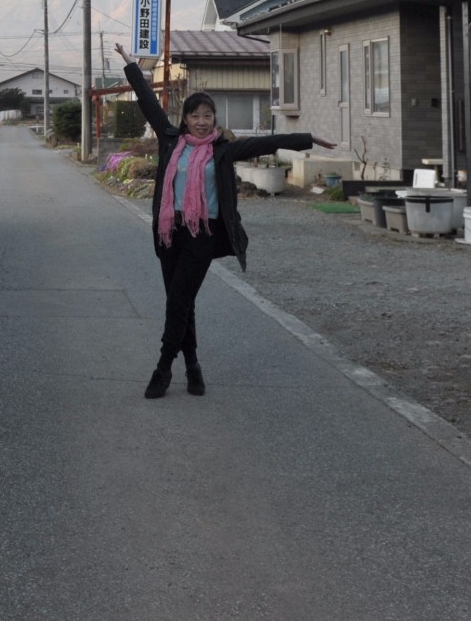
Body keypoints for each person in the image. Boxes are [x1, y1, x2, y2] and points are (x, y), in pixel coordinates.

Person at [115, 42, 334, 399]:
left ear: (215, 120)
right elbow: (147, 102)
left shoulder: (223, 150)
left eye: (208, 116)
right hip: (170, 232)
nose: (202, 122)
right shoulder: (171, 141)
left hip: (203, 234)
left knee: (178, 301)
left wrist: (308, 138)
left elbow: (268, 142)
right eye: (195, 116)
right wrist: (131, 66)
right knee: (180, 301)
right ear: (185, 119)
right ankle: (193, 367)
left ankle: (163, 368)